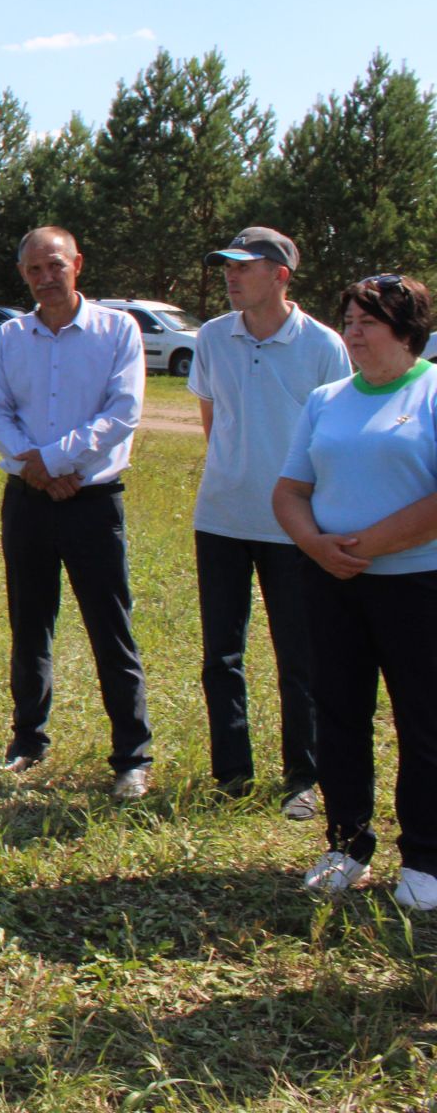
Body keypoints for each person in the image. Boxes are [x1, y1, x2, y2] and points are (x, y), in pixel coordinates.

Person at [273, 274, 437, 910]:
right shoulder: (326, 398)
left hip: (416, 587)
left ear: (407, 331)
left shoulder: (429, 391)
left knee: (423, 721)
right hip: (333, 584)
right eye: (347, 319)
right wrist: (317, 546)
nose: (352, 332)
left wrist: (364, 545)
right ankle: (347, 842)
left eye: (367, 321)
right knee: (339, 714)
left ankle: (424, 856)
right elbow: (290, 490)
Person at [0, 226, 152, 799]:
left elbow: (122, 412)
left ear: (77, 263)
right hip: (28, 501)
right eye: (33, 270)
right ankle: (28, 739)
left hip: (92, 500)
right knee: (30, 623)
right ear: (23, 275)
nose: (45, 278)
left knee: (111, 628)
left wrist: (53, 461)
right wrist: (36, 469)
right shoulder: (11, 336)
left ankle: (132, 755)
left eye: (55, 265)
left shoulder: (117, 330)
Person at [189, 227, 349, 816]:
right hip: (222, 517)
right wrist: (237, 474)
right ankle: (232, 774)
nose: (230, 276)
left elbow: (334, 438)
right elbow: (213, 420)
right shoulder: (211, 337)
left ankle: (303, 780)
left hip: (295, 527)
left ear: (280, 274)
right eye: (225, 266)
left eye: (244, 267)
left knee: (300, 657)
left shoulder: (324, 346)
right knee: (220, 657)